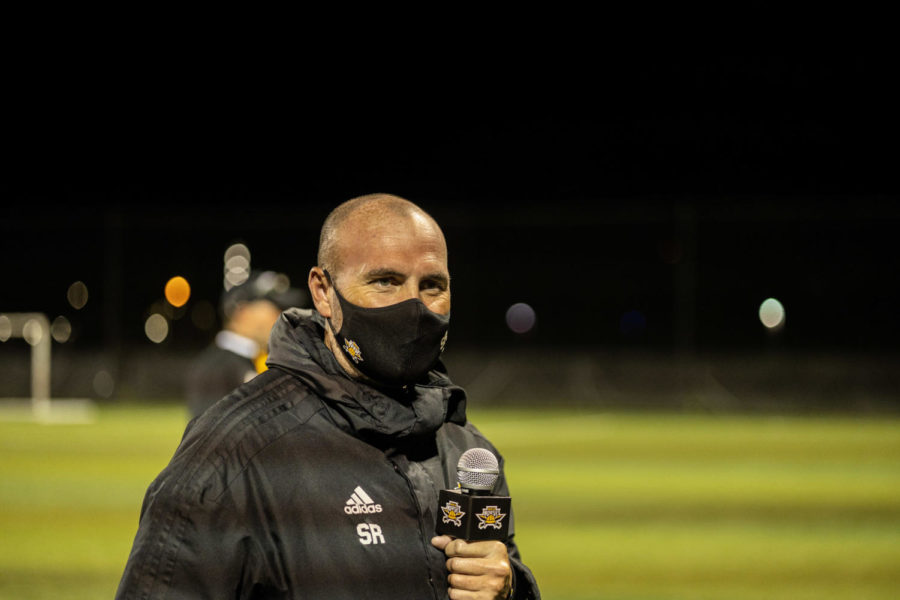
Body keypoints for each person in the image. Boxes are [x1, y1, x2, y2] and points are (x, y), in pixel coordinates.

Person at [116, 193, 541, 600]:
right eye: (385, 281)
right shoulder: (230, 456)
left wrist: (511, 590)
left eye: (432, 285)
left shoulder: (467, 452)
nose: (414, 307)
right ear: (323, 292)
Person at [185, 270, 308, 418]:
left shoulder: (263, 359)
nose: (282, 316)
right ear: (242, 310)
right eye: (274, 306)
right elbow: (209, 438)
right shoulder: (214, 370)